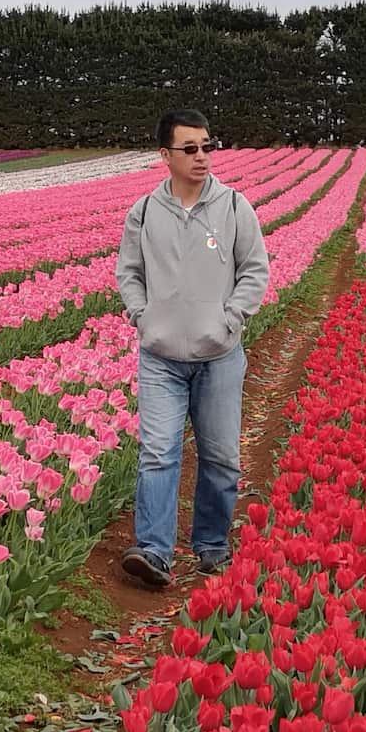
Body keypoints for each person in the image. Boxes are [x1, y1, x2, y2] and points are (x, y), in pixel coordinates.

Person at [115, 109, 270, 587]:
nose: (202, 156)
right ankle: (156, 552)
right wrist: (143, 317)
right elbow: (129, 273)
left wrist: (230, 320)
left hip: (219, 356)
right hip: (161, 356)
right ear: (165, 156)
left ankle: (211, 545)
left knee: (221, 456)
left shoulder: (234, 207)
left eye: (207, 146)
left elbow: (255, 270)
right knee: (158, 453)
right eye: (190, 148)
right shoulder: (143, 212)